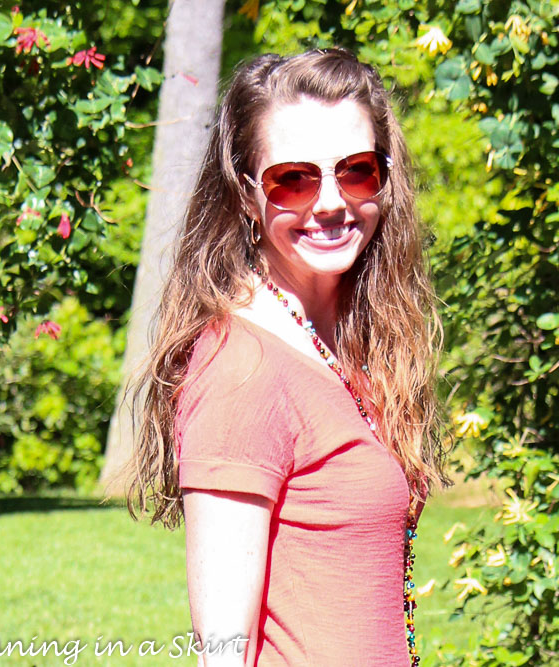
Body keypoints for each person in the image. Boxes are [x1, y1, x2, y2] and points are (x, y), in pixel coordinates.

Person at [128, 49, 447, 666]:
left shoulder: (343, 345)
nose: (329, 203)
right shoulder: (241, 370)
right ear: (248, 195)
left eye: (356, 171)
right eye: (293, 180)